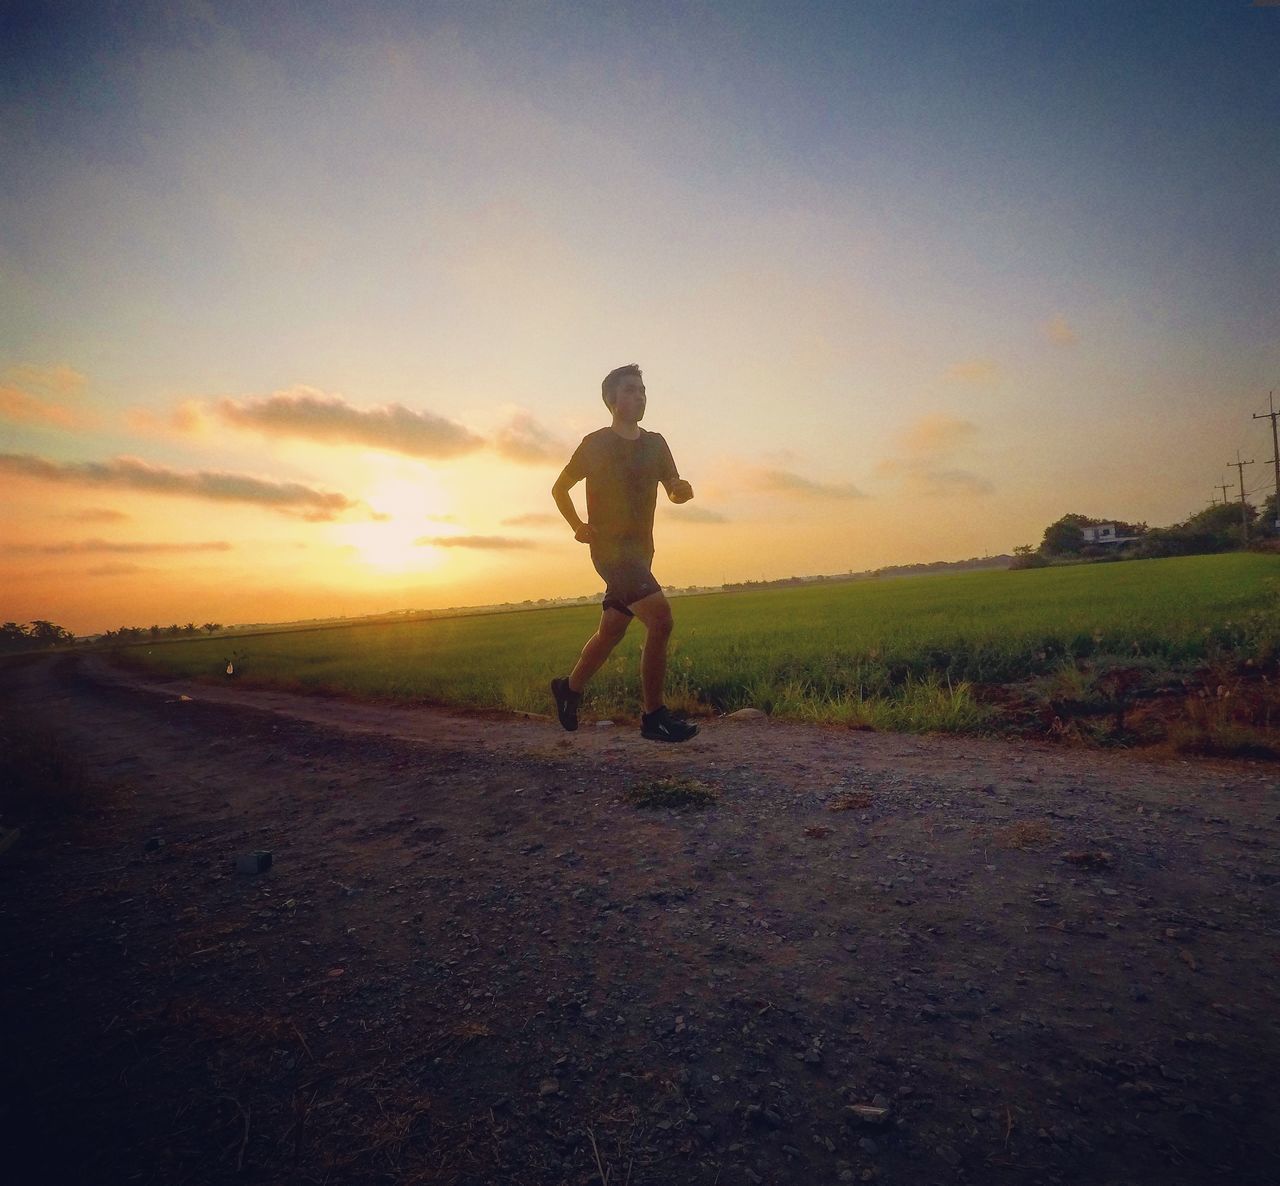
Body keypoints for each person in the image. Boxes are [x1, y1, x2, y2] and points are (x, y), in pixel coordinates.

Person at [549, 364, 699, 742]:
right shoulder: (595, 444)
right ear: (612, 400)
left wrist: (683, 490)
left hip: (642, 551)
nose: (640, 396)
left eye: (643, 390)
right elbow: (559, 489)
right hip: (611, 553)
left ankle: (569, 688)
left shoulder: (656, 444)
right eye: (631, 390)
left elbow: (673, 489)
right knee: (661, 621)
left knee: (611, 631)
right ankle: (654, 717)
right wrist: (577, 526)